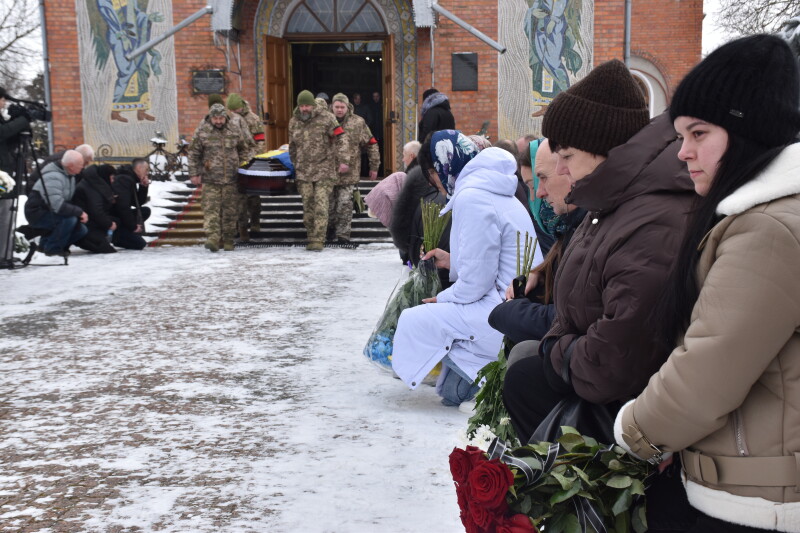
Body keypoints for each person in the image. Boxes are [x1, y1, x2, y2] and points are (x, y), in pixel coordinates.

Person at [501, 59, 697, 532]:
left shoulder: (649, 216)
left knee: (527, 370)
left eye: (566, 154)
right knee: (526, 364)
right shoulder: (610, 205)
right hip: (609, 394)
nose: (560, 169)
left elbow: (617, 360)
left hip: (635, 421)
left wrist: (553, 351)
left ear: (603, 148)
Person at [614, 35, 800, 533]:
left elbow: (707, 372)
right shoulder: (756, 217)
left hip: (759, 505)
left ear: (748, 131)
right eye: (679, 136)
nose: (683, 152)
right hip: (742, 486)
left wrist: (633, 433)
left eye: (698, 134)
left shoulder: (770, 229)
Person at [392, 132, 537, 408]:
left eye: (430, 176)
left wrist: (442, 299)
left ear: (439, 168)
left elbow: (476, 283)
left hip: (501, 307)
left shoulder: (472, 196)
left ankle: (490, 378)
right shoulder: (490, 186)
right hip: (515, 301)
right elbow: (491, 259)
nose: (434, 185)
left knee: (414, 319)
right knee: (448, 390)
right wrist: (452, 260)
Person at [488, 140, 585, 352]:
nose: (537, 195)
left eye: (540, 180)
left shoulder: (583, 228)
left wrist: (510, 312)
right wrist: (540, 275)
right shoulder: (567, 230)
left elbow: (574, 319)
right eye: (531, 187)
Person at [288, 90, 347, 251]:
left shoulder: (327, 118)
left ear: (313, 105)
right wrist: (295, 164)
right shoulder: (294, 122)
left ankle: (318, 239)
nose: (305, 109)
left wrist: (343, 160)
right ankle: (311, 235)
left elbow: (341, 138)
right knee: (308, 205)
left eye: (307, 105)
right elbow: (292, 146)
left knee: (321, 204)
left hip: (324, 169)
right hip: (303, 171)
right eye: (302, 106)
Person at [188, 103, 251, 252]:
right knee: (211, 210)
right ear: (210, 117)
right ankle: (213, 238)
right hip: (211, 179)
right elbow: (193, 154)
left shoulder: (234, 129)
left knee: (230, 210)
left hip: (231, 178)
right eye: (215, 118)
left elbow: (243, 149)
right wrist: (194, 173)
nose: (218, 121)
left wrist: (243, 166)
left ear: (225, 117)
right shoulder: (203, 131)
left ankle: (228, 239)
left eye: (221, 118)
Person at [328, 93, 380, 244]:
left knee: (344, 204)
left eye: (342, 107)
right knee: (329, 206)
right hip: (327, 173)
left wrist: (374, 166)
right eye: (336, 107)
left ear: (347, 107)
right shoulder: (325, 121)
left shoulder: (358, 122)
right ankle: (329, 231)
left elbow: (371, 143)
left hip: (349, 174)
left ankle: (343, 236)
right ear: (332, 106)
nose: (339, 110)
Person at [23, 150, 88, 256]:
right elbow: (56, 205)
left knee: (81, 230)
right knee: (70, 220)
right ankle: (53, 249)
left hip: (50, 211)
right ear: (71, 166)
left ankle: (45, 244)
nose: (82, 168)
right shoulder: (53, 177)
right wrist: (79, 212)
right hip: (37, 213)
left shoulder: (68, 175)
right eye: (80, 165)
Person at [227, 93, 265, 239]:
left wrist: (252, 157)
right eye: (232, 110)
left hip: (250, 162)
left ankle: (255, 222)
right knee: (238, 198)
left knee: (253, 197)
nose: (234, 113)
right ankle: (239, 226)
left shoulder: (253, 119)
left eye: (236, 110)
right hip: (234, 162)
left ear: (242, 107)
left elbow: (260, 140)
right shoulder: (228, 118)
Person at [73, 163, 118, 254]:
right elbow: (96, 211)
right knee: (106, 248)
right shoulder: (92, 186)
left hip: (92, 221)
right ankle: (81, 240)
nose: (113, 181)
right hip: (85, 224)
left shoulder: (97, 184)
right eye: (112, 178)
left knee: (117, 221)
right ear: (106, 176)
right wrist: (109, 224)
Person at [111, 158, 151, 250]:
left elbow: (137, 203)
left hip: (121, 216)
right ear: (139, 168)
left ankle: (126, 232)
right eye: (146, 169)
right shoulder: (124, 179)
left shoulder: (130, 178)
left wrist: (143, 187)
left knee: (145, 211)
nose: (147, 172)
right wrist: (133, 227)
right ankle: (118, 237)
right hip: (115, 219)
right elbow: (123, 207)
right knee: (140, 244)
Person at [0, 87, 31, 174]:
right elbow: (2, 132)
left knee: (4, 187)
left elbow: (6, 139)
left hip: (4, 169)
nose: (4, 103)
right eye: (2, 100)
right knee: (3, 187)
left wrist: (17, 121)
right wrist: (25, 119)